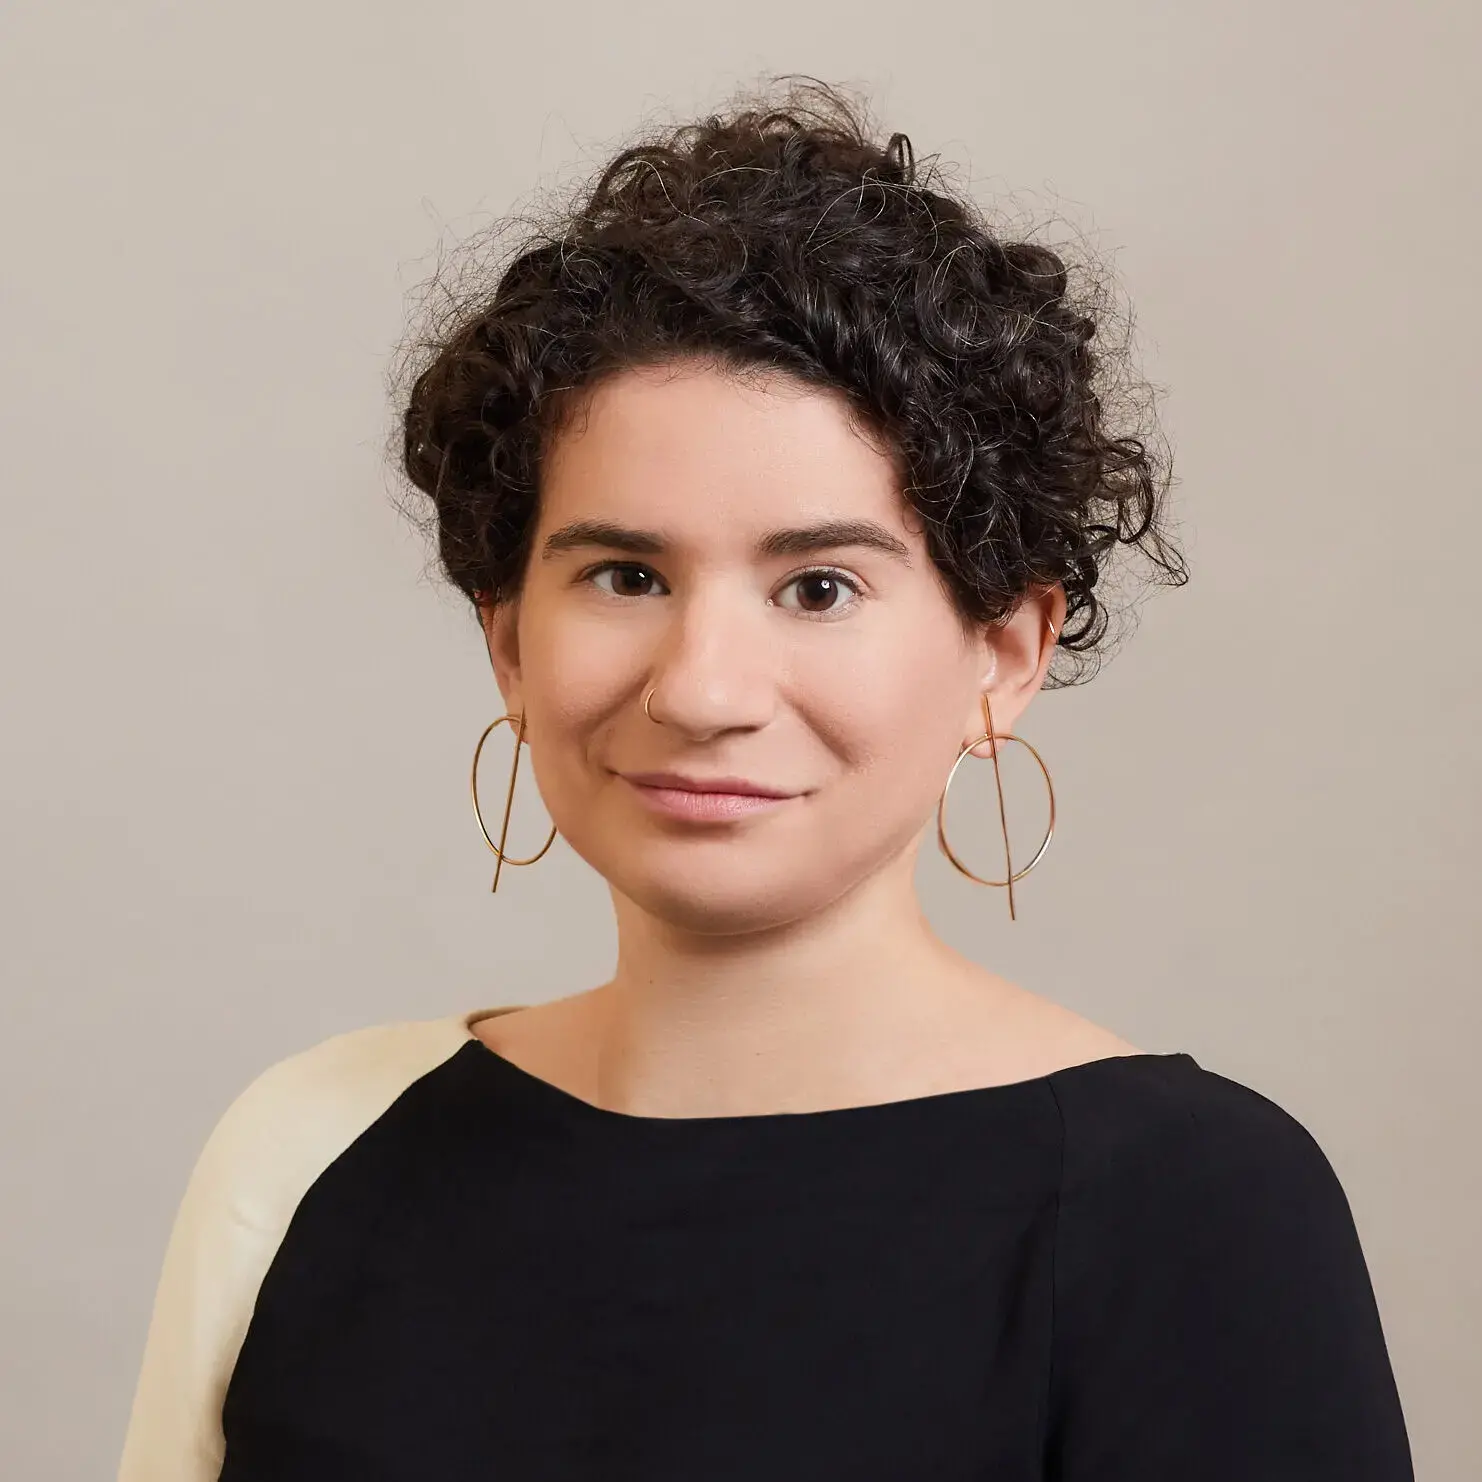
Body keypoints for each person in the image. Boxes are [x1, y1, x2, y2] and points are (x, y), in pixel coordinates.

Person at [116, 76, 1414, 1481]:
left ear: (1004, 649)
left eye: (816, 585)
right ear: (507, 639)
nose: (701, 688)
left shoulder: (1194, 1207)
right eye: (624, 575)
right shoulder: (311, 1146)